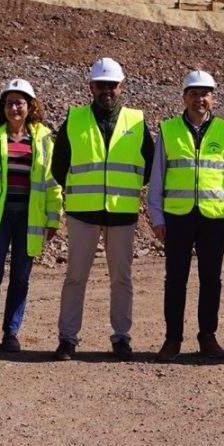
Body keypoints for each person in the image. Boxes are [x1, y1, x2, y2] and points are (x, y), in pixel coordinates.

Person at [50, 57, 155, 361]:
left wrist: (126, 187)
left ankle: (121, 338)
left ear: (121, 86)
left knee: (121, 278)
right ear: (91, 87)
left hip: (121, 213)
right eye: (100, 85)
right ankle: (67, 339)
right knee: (75, 277)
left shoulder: (136, 121)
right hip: (83, 213)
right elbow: (59, 166)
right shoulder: (74, 119)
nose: (106, 90)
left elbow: (148, 164)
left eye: (112, 85)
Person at [149, 70, 224, 363]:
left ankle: (207, 336)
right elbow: (157, 177)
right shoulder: (168, 130)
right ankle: (172, 339)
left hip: (213, 218)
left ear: (213, 98)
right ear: (184, 97)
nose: (199, 99)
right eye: (193, 93)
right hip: (177, 217)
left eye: (205, 94)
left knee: (211, 279)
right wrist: (156, 217)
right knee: (175, 279)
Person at [0, 79, 62, 355]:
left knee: (21, 276)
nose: (14, 108)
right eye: (9, 103)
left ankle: (11, 332)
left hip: (29, 220)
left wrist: (53, 216)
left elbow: (52, 180)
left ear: (30, 106)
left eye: (20, 102)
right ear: (3, 107)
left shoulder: (43, 139)